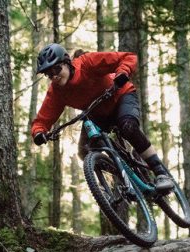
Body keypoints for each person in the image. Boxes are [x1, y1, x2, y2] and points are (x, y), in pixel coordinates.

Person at [31, 43, 173, 191]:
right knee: (85, 151)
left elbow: (128, 57)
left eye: (56, 69)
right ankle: (122, 177)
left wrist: (122, 73)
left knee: (128, 127)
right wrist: (39, 132)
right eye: (48, 74)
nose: (54, 76)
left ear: (67, 62)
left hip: (120, 97)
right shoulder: (57, 91)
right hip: (97, 113)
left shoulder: (87, 63)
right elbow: (43, 119)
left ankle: (161, 173)